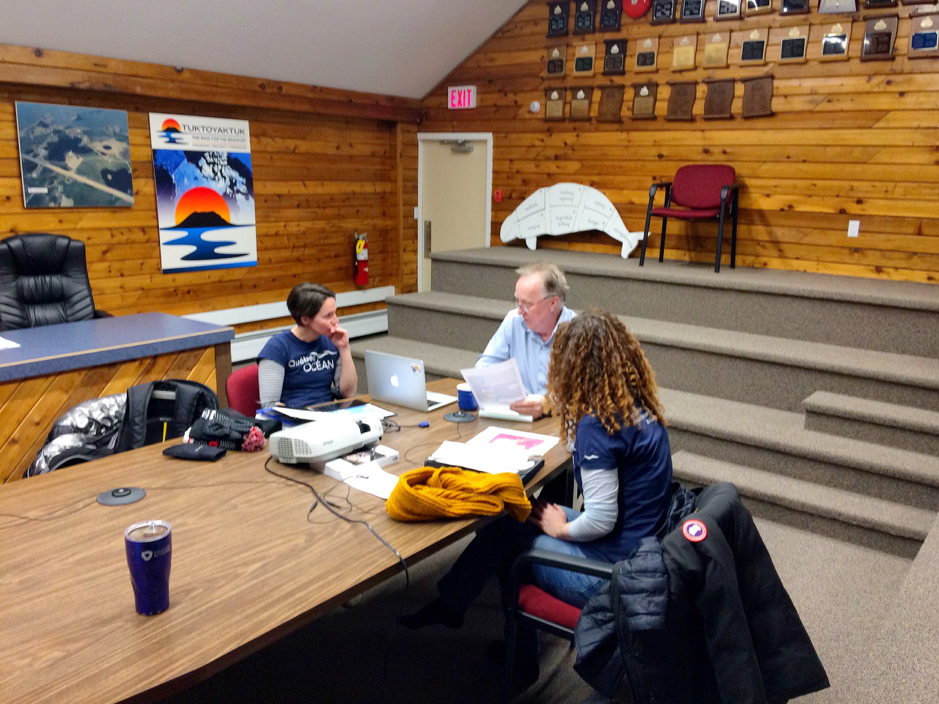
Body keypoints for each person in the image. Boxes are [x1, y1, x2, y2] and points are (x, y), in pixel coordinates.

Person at [401, 310, 673, 685]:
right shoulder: (636, 408)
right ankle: (453, 602)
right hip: (639, 547)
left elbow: (601, 519)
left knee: (512, 549)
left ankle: (522, 662)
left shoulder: (598, 428)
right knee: (512, 516)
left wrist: (561, 530)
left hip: (608, 574)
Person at [476, 261, 576, 419]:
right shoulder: (514, 321)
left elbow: (591, 396)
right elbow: (485, 367)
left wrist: (548, 404)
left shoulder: (579, 333)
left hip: (561, 423)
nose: (520, 310)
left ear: (553, 302)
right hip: (518, 419)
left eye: (527, 304)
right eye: (518, 301)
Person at [257, 283, 357, 409]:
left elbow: (349, 393)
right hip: (294, 421)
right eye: (328, 315)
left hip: (328, 417)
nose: (336, 321)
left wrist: (344, 349)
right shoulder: (276, 347)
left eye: (335, 313)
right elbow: (269, 406)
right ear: (305, 319)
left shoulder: (331, 342)